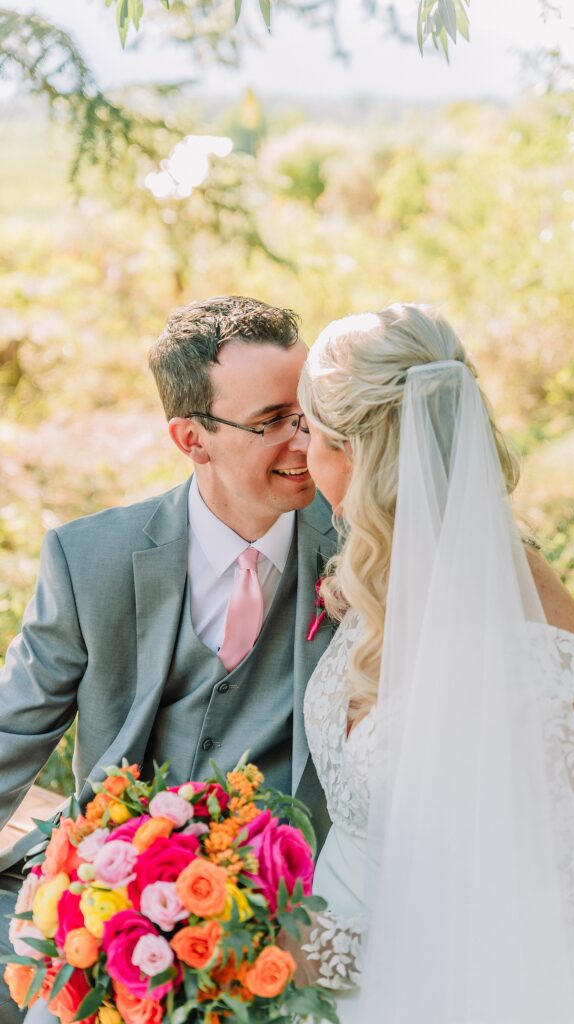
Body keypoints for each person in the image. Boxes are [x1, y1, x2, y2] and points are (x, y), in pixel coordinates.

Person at [294, 303, 574, 1022]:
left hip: (425, 987)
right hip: (318, 947)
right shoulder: (387, 572)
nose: (299, 453)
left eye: (308, 431)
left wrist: (324, 949)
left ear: (351, 454)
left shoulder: (528, 651)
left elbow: (540, 907)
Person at [0, 296, 336, 1023]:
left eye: (310, 412)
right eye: (272, 421)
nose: (305, 442)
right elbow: (10, 733)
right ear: (192, 438)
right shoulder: (90, 558)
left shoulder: (365, 551)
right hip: (114, 918)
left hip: (301, 918)